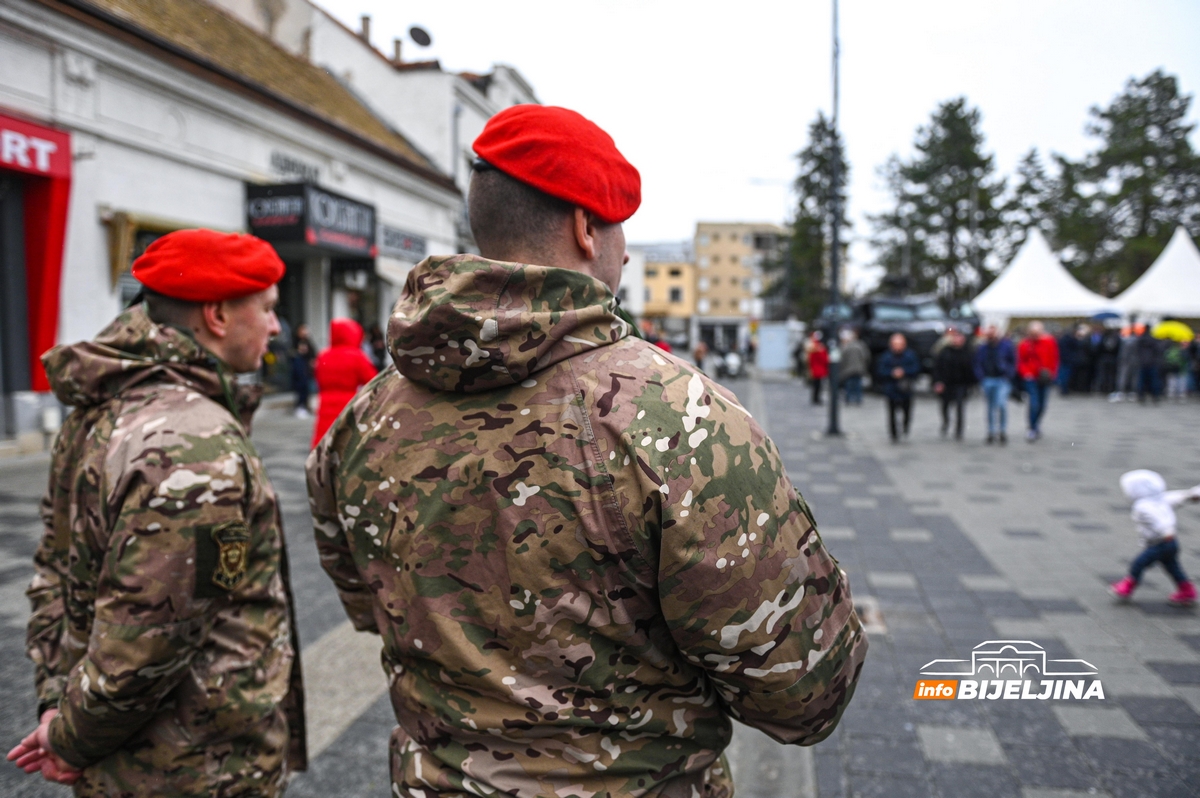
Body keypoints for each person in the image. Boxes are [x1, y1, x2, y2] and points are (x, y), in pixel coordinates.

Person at [305, 104, 867, 798]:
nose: (627, 252)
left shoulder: (364, 418)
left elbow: (367, 602)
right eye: (620, 227)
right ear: (585, 227)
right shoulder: (678, 420)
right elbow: (804, 690)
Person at [8, 229, 306, 794]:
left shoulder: (104, 402)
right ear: (217, 315)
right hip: (195, 765)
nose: (274, 327)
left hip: (130, 759)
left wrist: (57, 703)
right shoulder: (194, 443)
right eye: (267, 309)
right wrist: (71, 738)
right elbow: (150, 636)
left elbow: (54, 567)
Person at [1111, 470, 1200, 606]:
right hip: (1170, 542)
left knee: (1139, 563)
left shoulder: (1142, 506)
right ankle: (1186, 590)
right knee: (1172, 567)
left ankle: (1127, 587)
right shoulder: (1160, 498)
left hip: (1161, 542)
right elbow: (1178, 497)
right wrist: (1191, 495)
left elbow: (1157, 519)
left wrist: (1166, 531)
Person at [311, 317, 378, 447]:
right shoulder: (357, 356)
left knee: (324, 438)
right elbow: (372, 380)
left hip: (325, 402)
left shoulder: (323, 356)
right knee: (346, 443)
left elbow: (318, 379)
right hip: (348, 403)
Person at [973, 325, 1016, 444]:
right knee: (990, 407)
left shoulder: (1006, 346)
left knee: (1001, 404)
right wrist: (981, 377)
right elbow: (977, 363)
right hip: (988, 379)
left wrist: (1009, 374)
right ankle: (991, 431)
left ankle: (1002, 430)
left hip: (1002, 379)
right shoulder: (982, 348)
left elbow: (1013, 361)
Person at [1017, 320, 1059, 442]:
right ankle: (1032, 428)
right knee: (1034, 403)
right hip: (1031, 377)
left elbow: (1054, 358)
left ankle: (1036, 425)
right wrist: (1026, 373)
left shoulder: (1049, 342)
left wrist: (1052, 373)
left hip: (1045, 377)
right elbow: (1021, 361)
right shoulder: (1025, 344)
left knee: (1042, 404)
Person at [932, 328, 975, 440]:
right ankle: (946, 422)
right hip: (946, 383)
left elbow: (971, 369)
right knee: (945, 406)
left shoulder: (968, 352)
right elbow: (937, 368)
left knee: (960, 407)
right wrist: (937, 382)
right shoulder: (945, 351)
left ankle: (959, 430)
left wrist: (971, 384)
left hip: (961, 384)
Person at [876, 333, 920, 442]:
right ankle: (893, 433)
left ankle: (905, 427)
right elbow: (880, 371)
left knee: (906, 410)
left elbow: (916, 369)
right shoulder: (886, 356)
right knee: (891, 413)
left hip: (906, 388)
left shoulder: (910, 355)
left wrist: (904, 372)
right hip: (891, 388)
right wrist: (892, 373)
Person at [839, 328, 870, 406]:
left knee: (849, 385)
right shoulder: (861, 345)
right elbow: (866, 356)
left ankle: (849, 399)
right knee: (858, 385)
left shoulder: (846, 347)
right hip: (859, 369)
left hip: (848, 370)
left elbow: (842, 358)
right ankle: (858, 399)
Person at [291, 322, 316, 418]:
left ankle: (305, 405)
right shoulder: (295, 342)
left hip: (307, 369)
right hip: (299, 369)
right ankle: (300, 406)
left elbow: (313, 353)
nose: (305, 332)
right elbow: (292, 354)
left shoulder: (308, 341)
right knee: (300, 387)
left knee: (307, 388)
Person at [1135, 325, 1164, 404]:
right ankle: (1155, 396)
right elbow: (1159, 351)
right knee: (1154, 381)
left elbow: (1137, 351)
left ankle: (1141, 396)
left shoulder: (1140, 339)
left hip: (1142, 363)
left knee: (1141, 381)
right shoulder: (1153, 340)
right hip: (1152, 363)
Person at [1111, 324, 1140, 402]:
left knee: (1123, 377)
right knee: (1133, 378)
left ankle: (1120, 392)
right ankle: (1132, 393)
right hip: (1134, 361)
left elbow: (1122, 352)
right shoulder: (1137, 341)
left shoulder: (1125, 341)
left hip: (1125, 361)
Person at [807, 330, 829, 405]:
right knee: (818, 386)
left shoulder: (813, 347)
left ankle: (815, 398)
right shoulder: (819, 348)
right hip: (819, 369)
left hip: (815, 369)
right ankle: (816, 399)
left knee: (816, 385)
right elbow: (824, 359)